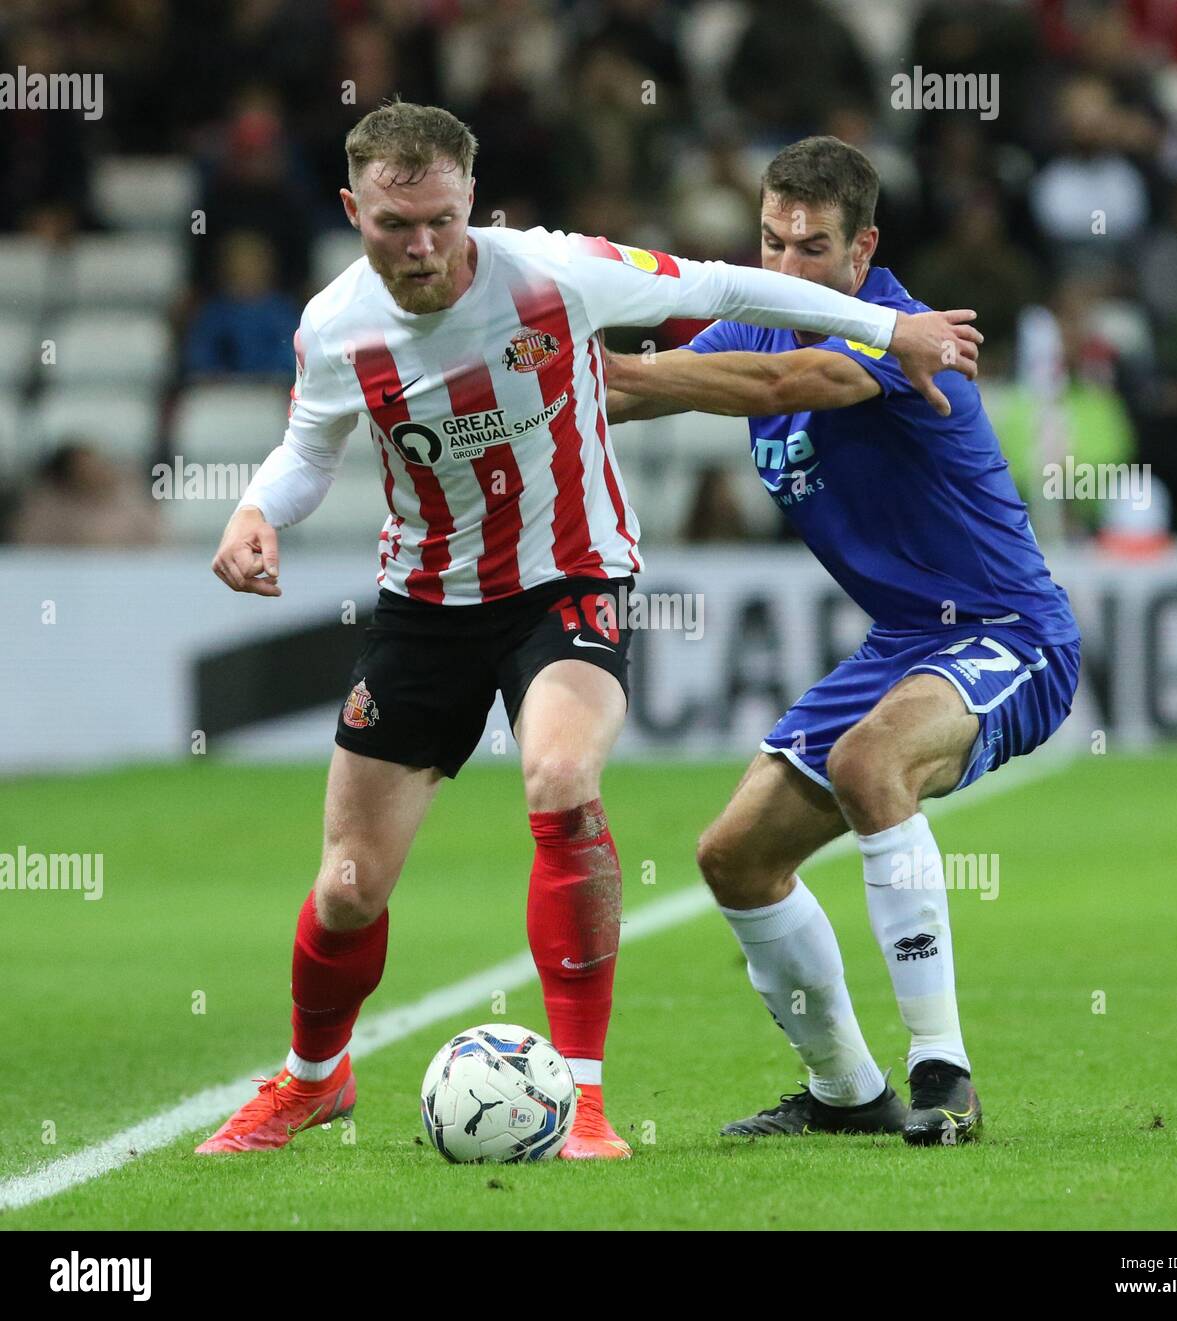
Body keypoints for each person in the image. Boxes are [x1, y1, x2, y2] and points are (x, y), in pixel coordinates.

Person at [198, 102, 981, 1159]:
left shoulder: (553, 271)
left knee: (559, 779)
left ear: (470, 198)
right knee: (347, 887)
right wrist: (254, 511)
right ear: (353, 209)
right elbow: (307, 448)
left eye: (439, 219)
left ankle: (582, 1099)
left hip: (569, 577)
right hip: (426, 603)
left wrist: (893, 328)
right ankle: (310, 1078)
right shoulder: (335, 326)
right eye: (394, 226)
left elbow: (722, 284)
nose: (422, 247)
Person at [603, 135, 1079, 1145]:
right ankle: (847, 1093)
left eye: (811, 249)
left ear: (862, 251)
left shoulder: (898, 331)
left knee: (869, 761)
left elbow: (785, 388)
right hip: (905, 641)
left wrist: (626, 370)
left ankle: (941, 1074)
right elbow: (638, 389)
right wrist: (504, 397)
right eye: (769, 244)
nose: (784, 269)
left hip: (1007, 631)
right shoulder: (761, 325)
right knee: (734, 857)